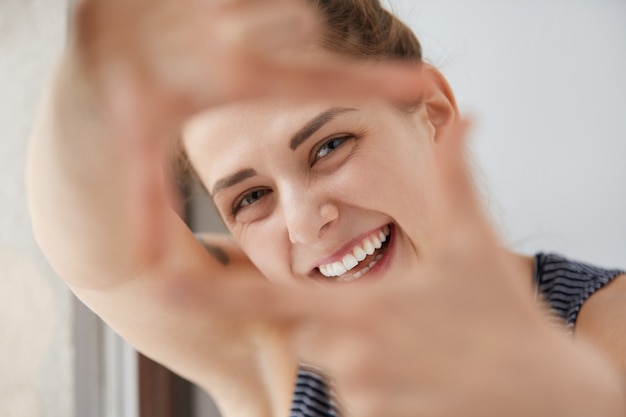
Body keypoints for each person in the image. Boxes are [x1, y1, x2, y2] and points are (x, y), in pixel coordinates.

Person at [27, 0, 626, 416]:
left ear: (433, 113)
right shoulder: (274, 348)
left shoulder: (608, 337)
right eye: (252, 197)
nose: (306, 221)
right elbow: (104, 258)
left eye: (329, 146)